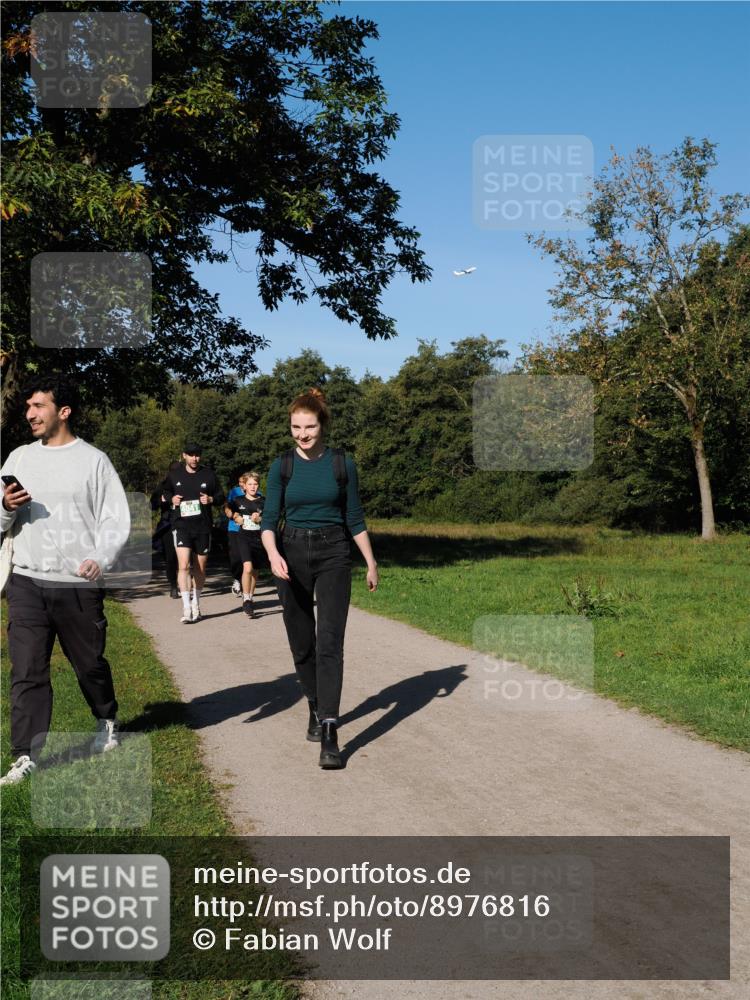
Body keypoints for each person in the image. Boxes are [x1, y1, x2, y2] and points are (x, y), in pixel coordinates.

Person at [0, 376, 130, 785]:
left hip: (77, 584)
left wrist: (99, 557)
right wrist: (6, 507)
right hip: (25, 581)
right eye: (28, 407)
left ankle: (106, 719)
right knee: (27, 669)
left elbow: (115, 519)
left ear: (64, 411)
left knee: (89, 664)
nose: (30, 414)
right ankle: (25, 755)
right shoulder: (18, 458)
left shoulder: (94, 461)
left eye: (38, 406)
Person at [261, 388, 378, 770]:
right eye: (296, 427)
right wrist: (274, 554)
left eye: (309, 427)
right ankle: (313, 704)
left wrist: (371, 562)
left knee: (330, 642)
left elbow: (354, 517)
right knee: (302, 643)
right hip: (290, 554)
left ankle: (330, 729)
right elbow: (267, 521)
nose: (302, 434)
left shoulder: (342, 464)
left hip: (333, 554)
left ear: (322, 425)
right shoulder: (281, 467)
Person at [162, 444, 223, 623]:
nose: (194, 459)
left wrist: (211, 499)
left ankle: (196, 602)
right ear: (184, 456)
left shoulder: (209, 475)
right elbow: (165, 493)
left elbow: (221, 496)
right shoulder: (174, 475)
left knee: (200, 568)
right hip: (181, 526)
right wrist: (171, 499)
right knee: (183, 566)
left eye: (197, 455)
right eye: (191, 455)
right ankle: (186, 608)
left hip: (203, 527)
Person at [226, 471, 266, 618]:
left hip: (259, 538)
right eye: (250, 484)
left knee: (255, 570)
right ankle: (246, 598)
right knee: (247, 567)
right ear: (244, 486)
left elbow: (269, 517)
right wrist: (235, 516)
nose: (253, 487)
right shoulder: (238, 500)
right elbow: (228, 509)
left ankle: (249, 596)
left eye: (255, 484)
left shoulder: (263, 501)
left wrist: (260, 518)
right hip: (243, 537)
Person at [224, 470, 246, 598]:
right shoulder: (235, 492)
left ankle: (246, 588)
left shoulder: (257, 493)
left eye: (243, 482)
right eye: (240, 483)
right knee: (236, 557)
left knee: (248, 559)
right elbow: (227, 506)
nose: (241, 485)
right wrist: (230, 513)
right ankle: (237, 579)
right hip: (234, 529)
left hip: (250, 530)